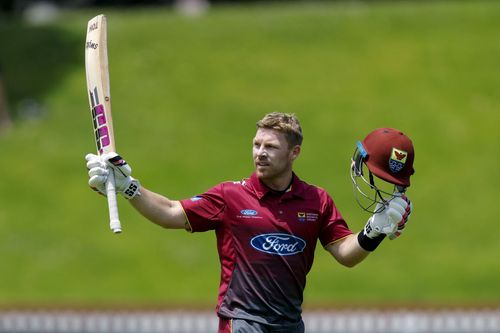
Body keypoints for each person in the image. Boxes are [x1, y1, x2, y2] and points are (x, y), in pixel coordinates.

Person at [85, 112, 414, 333]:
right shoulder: (231, 195)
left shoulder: (317, 200)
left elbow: (346, 253)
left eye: (271, 147)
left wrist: (373, 231)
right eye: (257, 145)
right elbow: (171, 212)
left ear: (294, 152)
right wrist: (130, 188)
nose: (260, 153)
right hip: (242, 322)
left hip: (289, 324)